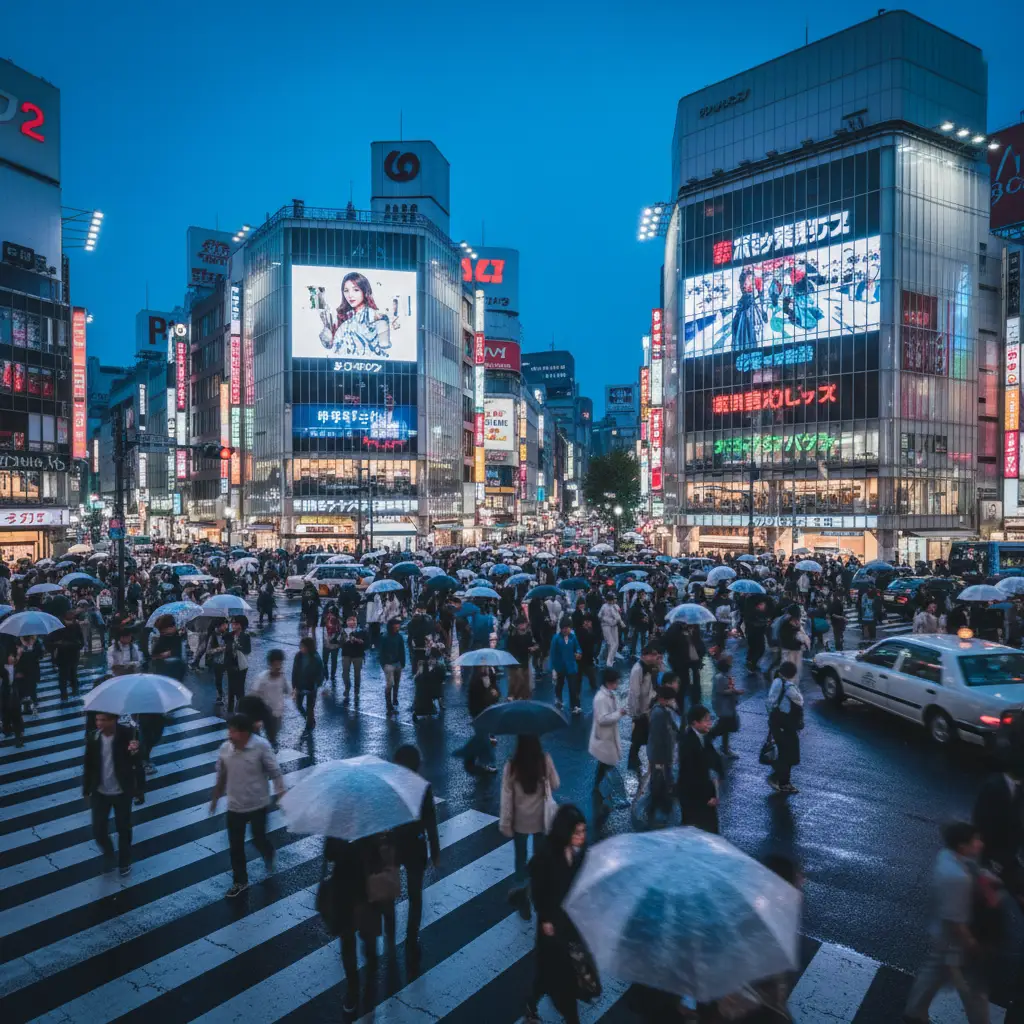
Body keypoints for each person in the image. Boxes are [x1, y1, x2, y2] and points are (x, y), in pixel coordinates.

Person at [904, 822, 993, 1024]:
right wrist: (973, 945)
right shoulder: (957, 878)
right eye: (975, 840)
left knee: (934, 971)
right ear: (962, 846)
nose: (980, 843)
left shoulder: (946, 856)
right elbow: (956, 923)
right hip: (955, 943)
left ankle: (914, 1013)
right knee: (972, 989)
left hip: (942, 936)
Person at [208, 713, 285, 898]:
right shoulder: (225, 749)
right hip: (234, 806)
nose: (229, 735)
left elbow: (275, 772)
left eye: (233, 731)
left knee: (258, 838)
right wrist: (215, 798)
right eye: (229, 730)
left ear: (244, 733)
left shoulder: (261, 746)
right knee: (235, 846)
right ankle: (240, 881)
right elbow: (222, 775)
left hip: (258, 804)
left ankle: (268, 853)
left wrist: (282, 795)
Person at [525, 804, 588, 1024]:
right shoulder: (547, 856)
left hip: (570, 923)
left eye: (583, 831)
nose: (582, 836)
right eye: (577, 832)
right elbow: (539, 891)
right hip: (551, 925)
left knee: (550, 973)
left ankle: (531, 1004)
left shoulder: (580, 854)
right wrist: (546, 918)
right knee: (557, 975)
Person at [391, 744, 441, 963]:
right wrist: (435, 849)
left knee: (389, 892)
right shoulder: (423, 787)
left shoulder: (391, 786)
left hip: (394, 845)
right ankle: (411, 938)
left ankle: (390, 936)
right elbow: (430, 821)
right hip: (416, 845)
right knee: (415, 895)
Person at [501, 735, 560, 919]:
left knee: (520, 858)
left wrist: (505, 822)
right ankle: (537, 894)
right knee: (538, 859)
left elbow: (506, 797)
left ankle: (522, 896)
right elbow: (556, 784)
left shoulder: (511, 765)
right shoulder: (545, 760)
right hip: (541, 820)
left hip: (519, 821)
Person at [83, 711, 146, 876]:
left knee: (123, 828)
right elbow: (88, 765)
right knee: (98, 829)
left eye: (104, 720)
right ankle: (109, 853)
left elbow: (138, 762)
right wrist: (86, 790)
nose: (99, 724)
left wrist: (135, 751)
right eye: (97, 720)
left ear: (114, 720)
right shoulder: (93, 737)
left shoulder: (128, 734)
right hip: (100, 792)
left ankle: (125, 861)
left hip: (122, 791)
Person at [677, 704, 721, 833]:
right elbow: (692, 774)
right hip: (695, 797)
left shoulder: (704, 737)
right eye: (706, 720)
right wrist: (709, 796)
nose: (710, 723)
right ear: (695, 723)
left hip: (700, 795)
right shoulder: (688, 743)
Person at [589, 667, 628, 803]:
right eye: (616, 682)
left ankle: (598, 786)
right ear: (609, 682)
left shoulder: (609, 694)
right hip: (604, 737)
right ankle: (615, 795)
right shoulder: (601, 698)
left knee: (604, 763)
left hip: (607, 737)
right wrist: (619, 714)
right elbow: (602, 719)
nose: (617, 684)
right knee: (607, 764)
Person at [767, 661, 804, 795]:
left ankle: (782, 780)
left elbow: (770, 703)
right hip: (785, 724)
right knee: (788, 752)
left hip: (777, 722)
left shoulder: (776, 682)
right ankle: (780, 780)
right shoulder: (788, 686)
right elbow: (799, 700)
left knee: (784, 751)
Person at [646, 679, 680, 823]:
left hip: (661, 753)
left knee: (663, 776)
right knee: (659, 777)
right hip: (659, 754)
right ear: (663, 699)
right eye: (670, 699)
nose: (672, 702)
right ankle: (656, 803)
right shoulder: (659, 714)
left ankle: (662, 798)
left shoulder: (661, 710)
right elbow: (659, 738)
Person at [627, 646, 661, 770]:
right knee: (638, 737)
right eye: (651, 655)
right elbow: (634, 693)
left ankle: (636, 759)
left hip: (649, 707)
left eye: (655, 655)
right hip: (641, 710)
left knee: (644, 736)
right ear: (643, 656)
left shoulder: (651, 667)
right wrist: (635, 713)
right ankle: (633, 760)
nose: (654, 657)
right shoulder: (638, 670)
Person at [249, 649, 291, 750]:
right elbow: (253, 695)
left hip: (277, 713)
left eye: (280, 663)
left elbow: (288, 690)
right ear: (270, 664)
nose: (278, 667)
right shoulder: (262, 678)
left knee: (273, 737)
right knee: (258, 738)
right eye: (276, 664)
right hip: (263, 712)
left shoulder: (282, 677)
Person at [710, 653, 743, 758]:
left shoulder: (725, 676)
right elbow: (721, 691)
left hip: (727, 706)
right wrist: (735, 691)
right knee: (723, 727)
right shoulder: (720, 677)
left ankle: (725, 747)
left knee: (725, 728)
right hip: (724, 707)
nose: (731, 665)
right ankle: (708, 740)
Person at [550, 618, 583, 715]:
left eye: (567, 628)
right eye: (563, 628)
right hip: (559, 667)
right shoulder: (556, 638)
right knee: (559, 685)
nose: (565, 630)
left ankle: (575, 705)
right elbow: (552, 654)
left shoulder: (573, 637)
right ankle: (558, 700)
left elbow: (578, 648)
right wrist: (553, 669)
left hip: (571, 667)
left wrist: (578, 653)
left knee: (573, 687)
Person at [291, 636, 323, 733]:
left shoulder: (316, 658)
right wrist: (294, 686)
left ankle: (309, 726)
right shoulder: (298, 656)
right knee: (299, 705)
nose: (301, 648)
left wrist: (316, 685)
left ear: (308, 647)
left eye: (303, 646)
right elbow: (294, 671)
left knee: (310, 708)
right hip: (300, 686)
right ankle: (309, 719)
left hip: (311, 687)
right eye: (300, 646)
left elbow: (320, 674)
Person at [53, 610, 84, 702]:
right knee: (63, 676)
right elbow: (53, 641)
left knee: (73, 673)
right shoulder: (59, 626)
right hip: (63, 655)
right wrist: (60, 644)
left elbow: (81, 639)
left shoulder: (76, 625)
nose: (71, 615)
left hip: (74, 654)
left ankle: (75, 689)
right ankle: (64, 693)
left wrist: (79, 645)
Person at [224, 616, 252, 714]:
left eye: (236, 624)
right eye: (232, 624)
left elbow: (248, 650)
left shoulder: (245, 636)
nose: (233, 626)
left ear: (241, 625)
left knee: (240, 689)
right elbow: (226, 647)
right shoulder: (229, 635)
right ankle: (230, 710)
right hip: (230, 664)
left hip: (241, 665)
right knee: (231, 689)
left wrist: (238, 647)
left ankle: (241, 709)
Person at [505, 617, 537, 701]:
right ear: (517, 625)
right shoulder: (513, 635)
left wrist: (534, 648)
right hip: (515, 662)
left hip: (525, 661)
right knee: (517, 680)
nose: (523, 625)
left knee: (525, 681)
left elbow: (531, 644)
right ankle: (513, 696)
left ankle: (523, 697)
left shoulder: (528, 635)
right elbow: (511, 649)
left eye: (524, 623)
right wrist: (528, 649)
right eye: (521, 624)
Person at [379, 617, 406, 715]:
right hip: (388, 664)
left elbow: (402, 650)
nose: (398, 627)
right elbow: (381, 652)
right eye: (396, 626)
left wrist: (402, 663)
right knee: (390, 684)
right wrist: (383, 664)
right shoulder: (385, 637)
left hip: (397, 663)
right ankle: (389, 704)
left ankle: (394, 699)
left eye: (398, 626)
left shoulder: (399, 637)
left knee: (396, 683)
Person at [339, 615, 367, 698]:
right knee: (345, 673)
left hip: (358, 654)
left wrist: (359, 641)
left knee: (357, 674)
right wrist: (345, 641)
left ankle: (356, 690)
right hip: (346, 654)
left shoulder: (361, 631)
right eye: (350, 622)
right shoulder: (343, 631)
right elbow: (340, 642)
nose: (352, 624)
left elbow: (366, 643)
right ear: (347, 623)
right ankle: (347, 688)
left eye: (353, 622)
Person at [1, 650, 24, 746]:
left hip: (14, 697)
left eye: (13, 656)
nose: (12, 658)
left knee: (16, 717)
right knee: (6, 715)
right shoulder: (3, 669)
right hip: (5, 697)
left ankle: (18, 738)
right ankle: (7, 730)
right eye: (10, 656)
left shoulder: (16, 667)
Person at [598, 593, 625, 667]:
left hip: (614, 626)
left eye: (613, 599)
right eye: (611, 600)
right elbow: (599, 615)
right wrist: (606, 620)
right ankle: (608, 662)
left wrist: (621, 622)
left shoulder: (615, 606)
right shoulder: (604, 606)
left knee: (616, 644)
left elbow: (618, 616)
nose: (612, 601)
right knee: (611, 643)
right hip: (606, 626)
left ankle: (610, 659)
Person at [321, 604, 342, 684]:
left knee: (325, 661)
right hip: (334, 644)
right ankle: (332, 676)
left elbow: (323, 626)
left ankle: (326, 675)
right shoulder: (339, 620)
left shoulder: (327, 618)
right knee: (333, 661)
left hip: (327, 643)